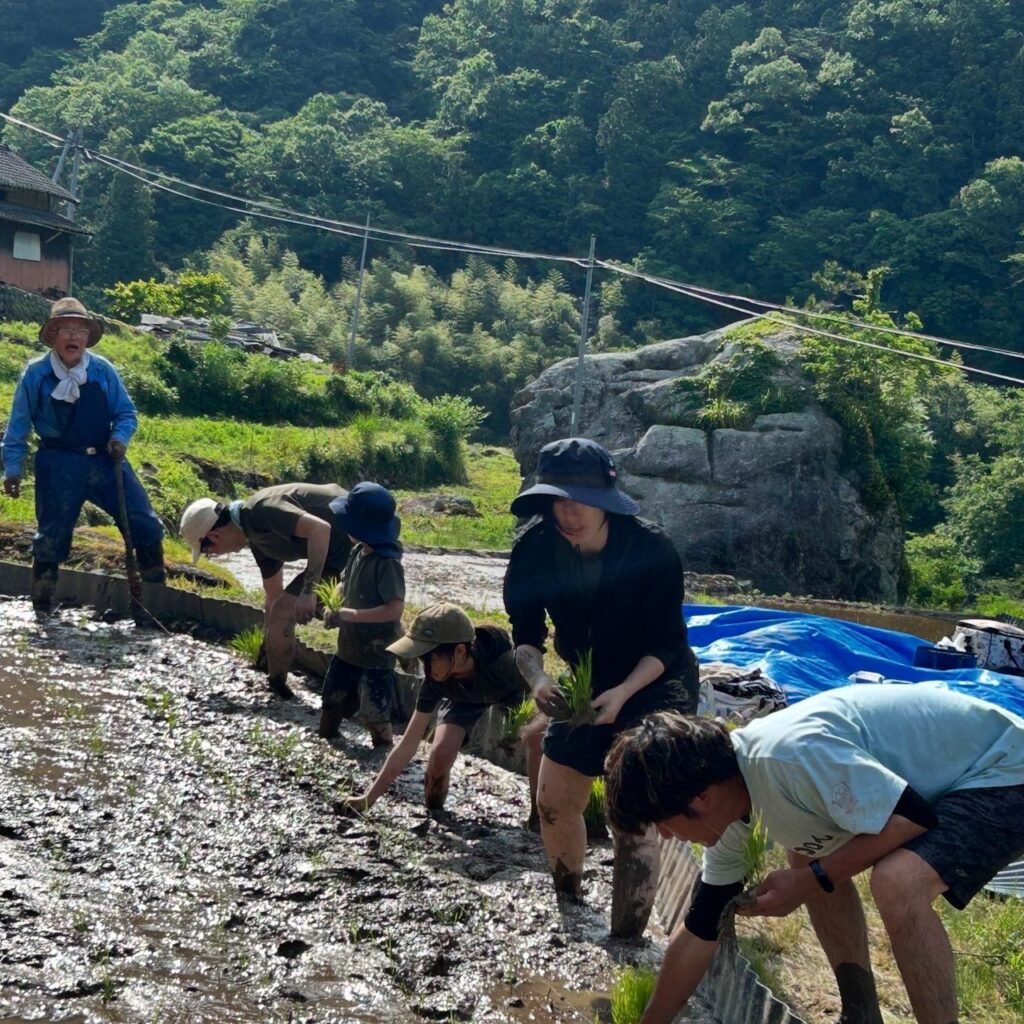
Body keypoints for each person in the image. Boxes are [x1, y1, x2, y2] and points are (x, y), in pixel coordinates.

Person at [603, 685, 1024, 1024]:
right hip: (948, 777)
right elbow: (701, 927)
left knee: (897, 882)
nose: (665, 834)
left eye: (664, 821)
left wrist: (810, 881)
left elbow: (913, 816)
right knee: (805, 851)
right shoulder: (733, 803)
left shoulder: (787, 759)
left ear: (703, 798)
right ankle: (860, 1011)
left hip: (1003, 767)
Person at [502, 436, 699, 938]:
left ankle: (627, 938)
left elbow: (667, 643)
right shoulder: (534, 549)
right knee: (553, 797)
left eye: (581, 501)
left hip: (654, 680)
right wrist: (539, 678)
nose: (568, 514)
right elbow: (524, 634)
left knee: (632, 812)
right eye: (557, 501)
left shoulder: (651, 550)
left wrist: (625, 694)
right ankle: (569, 905)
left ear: (608, 501)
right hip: (587, 678)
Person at [2, 297, 165, 612]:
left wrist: (119, 438)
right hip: (58, 462)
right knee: (51, 535)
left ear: (88, 337)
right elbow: (18, 425)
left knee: (142, 520)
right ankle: (42, 606)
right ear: (52, 336)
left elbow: (126, 413)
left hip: (105, 459)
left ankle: (156, 598)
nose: (73, 337)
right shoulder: (35, 374)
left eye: (80, 330)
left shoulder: (102, 370)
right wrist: (12, 469)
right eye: (65, 330)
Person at [338, 601, 540, 814]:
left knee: (536, 742)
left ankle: (538, 814)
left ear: (460, 651)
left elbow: (543, 706)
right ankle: (436, 815)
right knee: (440, 756)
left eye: (429, 657)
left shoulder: (505, 665)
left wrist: (523, 731)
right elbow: (407, 744)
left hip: (512, 697)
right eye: (420, 658)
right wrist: (368, 798)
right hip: (463, 699)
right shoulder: (435, 681)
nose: (424, 666)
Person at [180, 483, 352, 698]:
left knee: (337, 615)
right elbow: (273, 596)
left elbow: (320, 529)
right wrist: (266, 648)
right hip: (336, 553)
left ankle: (279, 688)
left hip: (356, 542)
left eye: (208, 552)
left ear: (214, 536)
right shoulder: (256, 537)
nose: (213, 556)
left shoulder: (260, 512)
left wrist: (309, 592)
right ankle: (277, 681)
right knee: (282, 609)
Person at [319, 481, 405, 746]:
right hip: (348, 648)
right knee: (331, 701)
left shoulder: (387, 564)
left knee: (375, 715)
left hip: (376, 654)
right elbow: (345, 582)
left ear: (361, 528)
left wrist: (352, 614)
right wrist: (334, 604)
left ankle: (383, 757)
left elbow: (394, 609)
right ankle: (327, 741)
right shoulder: (358, 551)